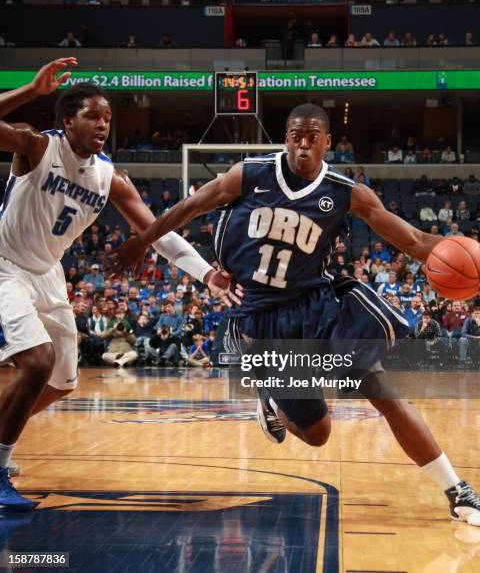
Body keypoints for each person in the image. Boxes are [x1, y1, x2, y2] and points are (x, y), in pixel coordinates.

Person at [110, 102, 480, 525]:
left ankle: (457, 489)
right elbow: (187, 209)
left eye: (312, 138)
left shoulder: (346, 192)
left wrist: (462, 248)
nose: (303, 146)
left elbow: (414, 241)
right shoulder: (248, 175)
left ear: (327, 142)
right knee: (318, 435)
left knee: (382, 389)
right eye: (295, 137)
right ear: (286, 139)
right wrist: (143, 240)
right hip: (265, 321)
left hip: (319, 306)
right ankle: (270, 397)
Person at [0, 58, 239, 510]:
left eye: (108, 117)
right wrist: (31, 89)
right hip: (5, 265)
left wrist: (206, 272)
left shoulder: (111, 178)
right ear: (68, 120)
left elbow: (157, 233)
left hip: (49, 273)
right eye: (93, 115)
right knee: (36, 363)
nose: (103, 124)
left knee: (61, 380)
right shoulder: (35, 146)